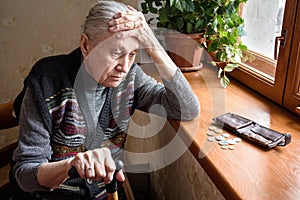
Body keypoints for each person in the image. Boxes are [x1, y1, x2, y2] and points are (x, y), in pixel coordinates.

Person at [11, 0, 200, 199]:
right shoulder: (46, 80)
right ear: (85, 45)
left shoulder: (130, 78)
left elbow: (186, 108)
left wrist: (152, 43)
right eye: (116, 53)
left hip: (105, 193)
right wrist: (71, 165)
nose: (124, 67)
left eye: (132, 54)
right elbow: (26, 174)